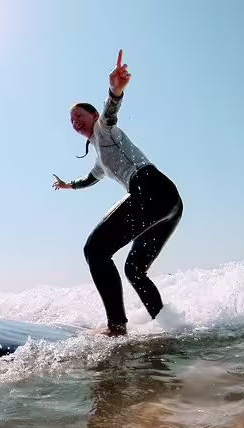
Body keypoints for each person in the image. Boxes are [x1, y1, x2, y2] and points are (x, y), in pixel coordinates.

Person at [52, 49, 183, 336]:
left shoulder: (103, 131)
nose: (75, 122)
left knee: (94, 250)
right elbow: (90, 179)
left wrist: (114, 90)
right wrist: (68, 185)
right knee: (134, 270)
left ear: (93, 115)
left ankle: (116, 328)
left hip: (150, 188)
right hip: (169, 201)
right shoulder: (100, 158)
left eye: (79, 115)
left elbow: (110, 114)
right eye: (71, 121)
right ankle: (172, 328)